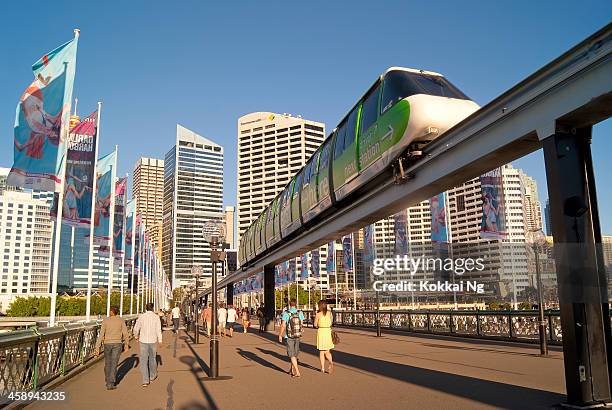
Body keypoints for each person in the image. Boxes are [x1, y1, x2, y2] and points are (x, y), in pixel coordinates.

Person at [94, 306, 130, 390]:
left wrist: (97, 347)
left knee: (108, 363)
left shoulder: (105, 320)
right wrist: (126, 344)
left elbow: (101, 334)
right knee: (114, 363)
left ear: (111, 312)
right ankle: (111, 382)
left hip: (107, 343)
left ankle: (108, 380)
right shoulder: (121, 320)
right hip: (117, 343)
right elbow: (125, 332)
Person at [133, 303, 163, 387]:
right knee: (152, 359)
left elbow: (136, 328)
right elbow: (158, 330)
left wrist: (136, 336)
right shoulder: (156, 317)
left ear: (146, 308)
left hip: (143, 340)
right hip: (153, 340)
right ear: (153, 308)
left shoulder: (141, 317)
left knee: (143, 360)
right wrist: (160, 340)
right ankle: (152, 375)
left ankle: (145, 380)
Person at [278, 299, 304, 378]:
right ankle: (291, 369)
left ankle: (297, 371)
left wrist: (280, 335)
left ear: (289, 304)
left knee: (291, 354)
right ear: (296, 304)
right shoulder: (300, 312)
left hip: (289, 336)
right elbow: (301, 323)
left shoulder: (286, 313)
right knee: (295, 354)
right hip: (298, 335)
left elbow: (283, 325)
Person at [314, 300, 335, 374]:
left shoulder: (318, 314)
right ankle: (330, 362)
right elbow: (332, 322)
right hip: (328, 331)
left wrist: (318, 325)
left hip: (321, 332)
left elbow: (315, 324)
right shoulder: (329, 313)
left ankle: (322, 368)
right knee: (327, 350)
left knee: (322, 351)